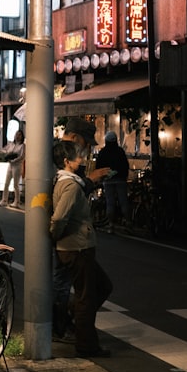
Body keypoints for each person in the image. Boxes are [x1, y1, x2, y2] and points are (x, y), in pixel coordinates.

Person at [50, 139, 114, 358]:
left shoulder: (69, 181)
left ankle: (75, 315)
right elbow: (59, 218)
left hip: (77, 246)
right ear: (67, 161)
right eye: (78, 155)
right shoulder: (70, 184)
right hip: (76, 247)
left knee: (102, 286)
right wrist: (55, 236)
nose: (82, 158)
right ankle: (86, 344)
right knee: (86, 296)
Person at [96, 131, 131, 233]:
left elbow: (99, 166)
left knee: (110, 203)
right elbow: (125, 165)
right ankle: (128, 223)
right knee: (123, 201)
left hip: (108, 180)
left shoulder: (103, 152)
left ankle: (111, 225)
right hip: (120, 179)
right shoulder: (120, 151)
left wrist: (102, 176)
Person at [0, 130, 26, 207]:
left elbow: (22, 156)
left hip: (17, 166)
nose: (17, 136)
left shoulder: (22, 146)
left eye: (19, 135)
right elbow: (5, 150)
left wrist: (13, 160)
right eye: (16, 134)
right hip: (10, 165)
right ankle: (4, 200)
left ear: (22, 136)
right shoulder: (11, 144)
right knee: (6, 183)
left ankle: (17, 201)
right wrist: (6, 155)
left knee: (15, 184)